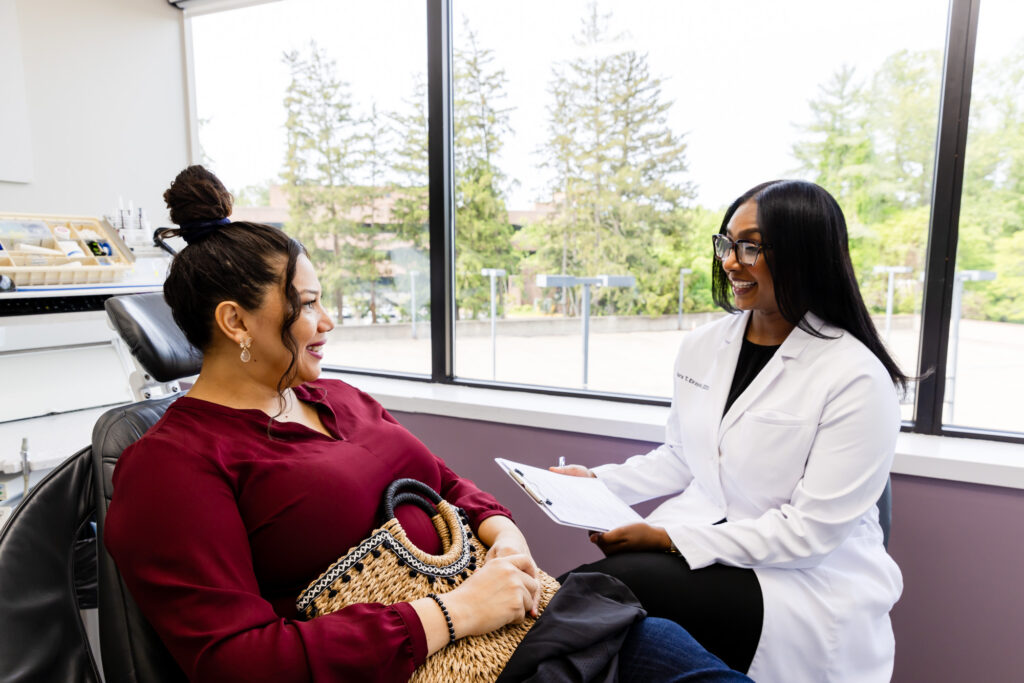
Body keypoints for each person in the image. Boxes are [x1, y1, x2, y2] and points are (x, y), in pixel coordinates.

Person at [104, 165, 751, 683]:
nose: (327, 320)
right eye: (306, 305)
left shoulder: (337, 399)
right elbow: (235, 661)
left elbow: (441, 481)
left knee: (671, 647)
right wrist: (453, 611)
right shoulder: (172, 466)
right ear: (235, 322)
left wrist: (504, 536)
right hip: (433, 656)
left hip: (528, 629)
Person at [554, 180, 905, 683]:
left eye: (750, 246)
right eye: (727, 243)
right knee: (597, 611)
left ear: (805, 253)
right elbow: (681, 455)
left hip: (801, 582)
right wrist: (598, 484)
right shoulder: (704, 345)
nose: (730, 262)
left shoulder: (856, 377)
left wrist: (666, 538)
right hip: (710, 540)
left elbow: (809, 535)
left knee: (606, 589)